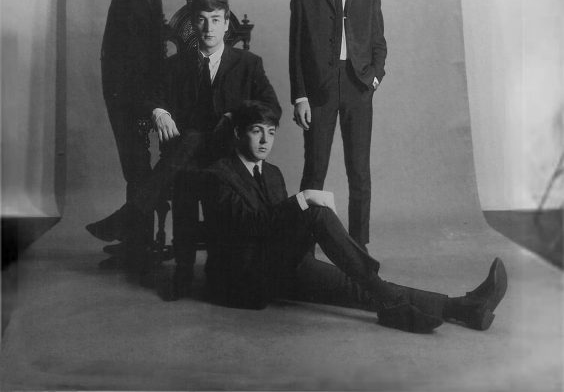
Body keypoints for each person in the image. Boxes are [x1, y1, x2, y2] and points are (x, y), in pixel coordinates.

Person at [198, 101, 508, 334]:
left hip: (278, 267)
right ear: (238, 133)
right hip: (240, 283)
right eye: (256, 132)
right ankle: (388, 298)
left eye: (271, 133)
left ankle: (464, 308)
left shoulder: (273, 173)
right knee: (315, 212)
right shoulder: (217, 175)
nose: (265, 141)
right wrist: (303, 200)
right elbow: (251, 227)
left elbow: (279, 230)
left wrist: (300, 242)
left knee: (366, 287)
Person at [87, 0, 281, 287]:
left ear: (227, 24)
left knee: (190, 140)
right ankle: (183, 270)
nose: (208, 28)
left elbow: (272, 108)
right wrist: (159, 110)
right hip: (186, 159)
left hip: (227, 155)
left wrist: (236, 116)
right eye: (201, 21)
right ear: (192, 24)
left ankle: (131, 214)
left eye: (216, 20)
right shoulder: (175, 65)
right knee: (189, 153)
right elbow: (150, 95)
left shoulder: (248, 64)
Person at [289, 0, 387, 249]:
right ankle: (303, 246)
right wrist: (300, 97)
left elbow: (378, 44)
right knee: (314, 168)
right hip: (319, 90)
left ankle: (359, 247)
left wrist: (374, 77)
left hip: (358, 86)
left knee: (359, 171)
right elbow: (296, 52)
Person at [87, 0, 164, 255]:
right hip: (128, 95)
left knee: (136, 167)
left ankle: (139, 241)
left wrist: (141, 102)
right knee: (134, 168)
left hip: (133, 97)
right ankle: (138, 238)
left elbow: (138, 54)